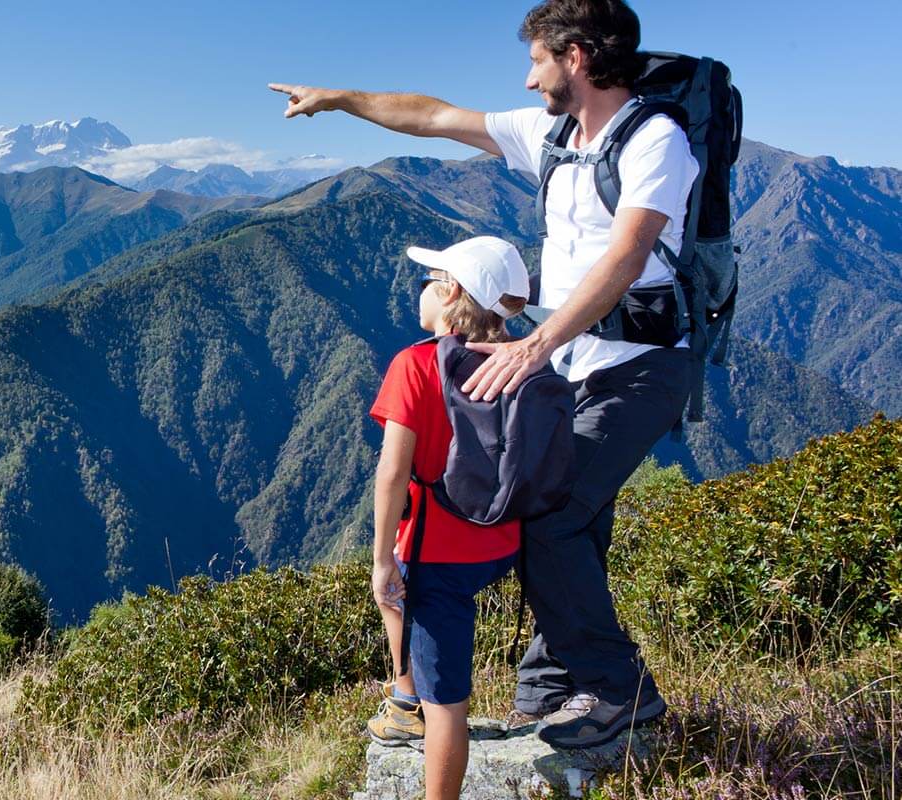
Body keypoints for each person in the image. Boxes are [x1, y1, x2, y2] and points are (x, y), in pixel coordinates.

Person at [271, 0, 693, 749]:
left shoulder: (655, 141)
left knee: (551, 513)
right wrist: (339, 99)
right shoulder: (552, 136)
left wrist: (537, 345)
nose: (528, 81)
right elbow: (433, 115)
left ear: (578, 56)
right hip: (566, 368)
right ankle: (547, 687)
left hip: (637, 369)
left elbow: (628, 255)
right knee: (563, 516)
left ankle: (621, 694)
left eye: (537, 60)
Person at [366, 236, 529, 799]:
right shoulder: (521, 359)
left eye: (430, 280)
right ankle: (405, 695)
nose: (423, 291)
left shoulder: (414, 364)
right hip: (503, 541)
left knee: (449, 708)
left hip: (436, 555)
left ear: (452, 291)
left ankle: (418, 710)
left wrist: (381, 558)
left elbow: (392, 473)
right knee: (397, 594)